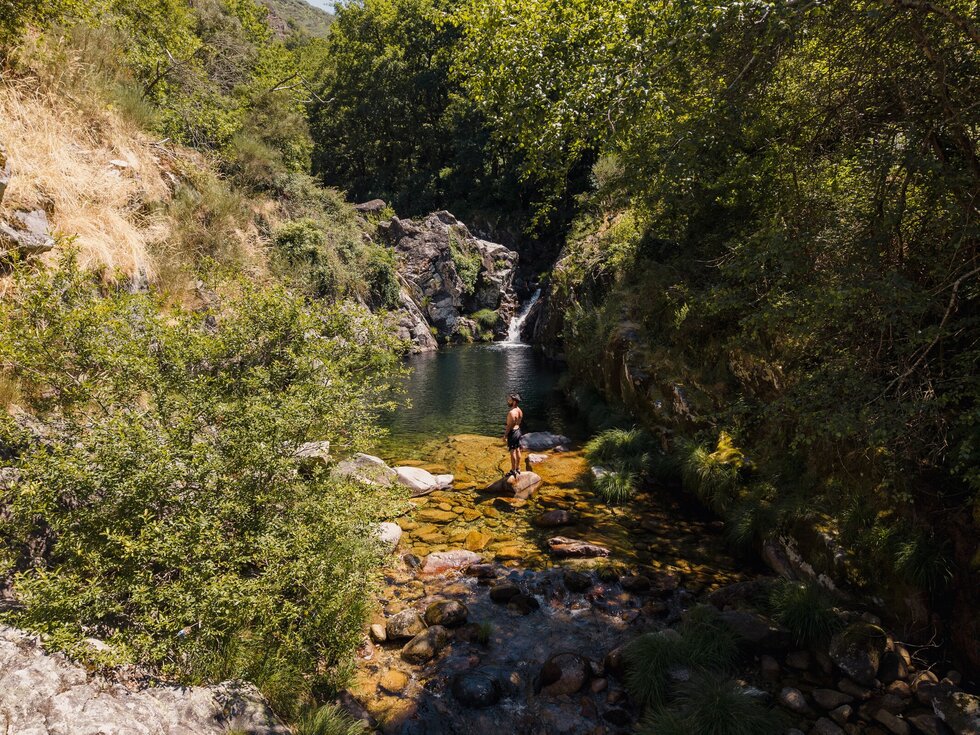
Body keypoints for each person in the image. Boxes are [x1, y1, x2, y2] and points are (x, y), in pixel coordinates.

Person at [503, 393, 524, 479]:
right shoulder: (519, 410)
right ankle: (518, 468)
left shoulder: (511, 413)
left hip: (513, 433)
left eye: (510, 399)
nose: (508, 401)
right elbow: (519, 422)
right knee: (518, 449)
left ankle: (513, 470)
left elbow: (508, 426)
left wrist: (505, 435)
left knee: (512, 452)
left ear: (514, 402)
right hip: (518, 431)